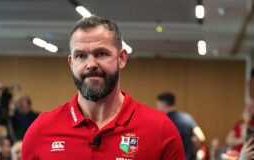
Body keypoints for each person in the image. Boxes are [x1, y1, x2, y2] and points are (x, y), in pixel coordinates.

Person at [22, 15, 184, 159]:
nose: (91, 64)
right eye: (81, 56)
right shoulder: (40, 130)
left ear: (121, 58)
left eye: (101, 54)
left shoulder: (160, 129)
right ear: (71, 63)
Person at [156, 92, 205, 160]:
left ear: (164, 104)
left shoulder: (162, 120)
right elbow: (201, 137)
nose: (157, 107)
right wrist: (193, 152)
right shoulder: (187, 118)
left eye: (158, 104)